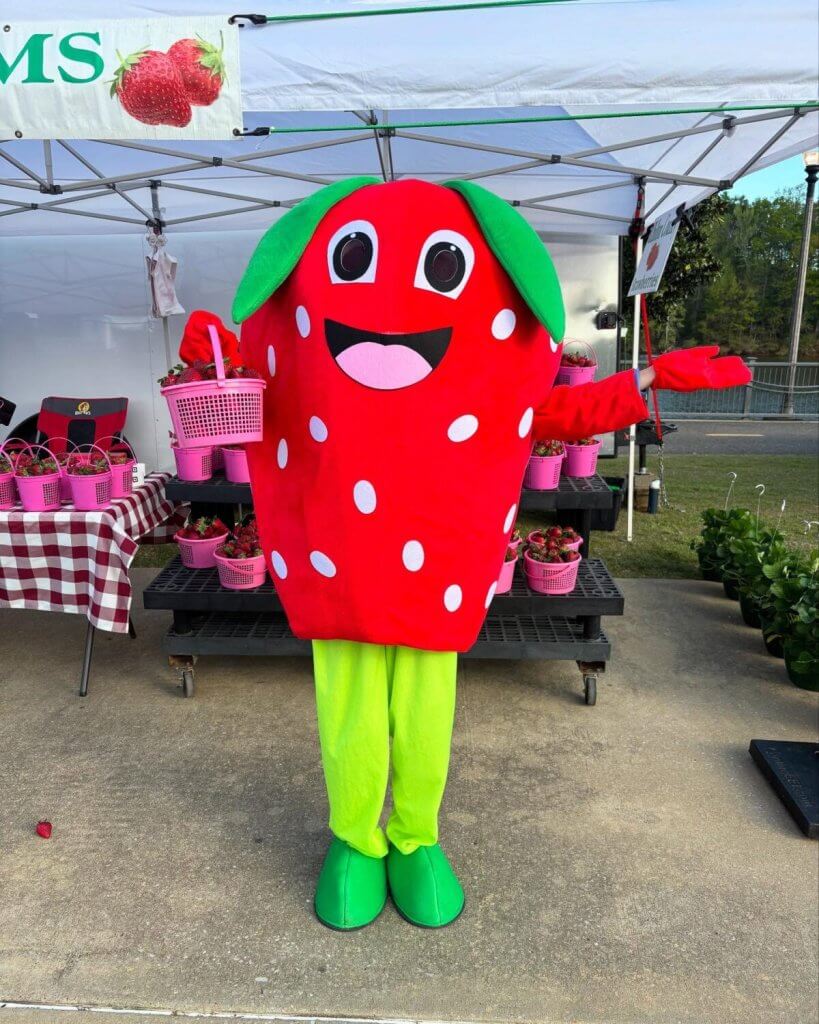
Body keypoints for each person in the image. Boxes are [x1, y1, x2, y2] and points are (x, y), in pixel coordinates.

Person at [227, 177, 750, 930]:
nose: (392, 305)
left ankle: (412, 838)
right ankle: (353, 841)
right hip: (338, 564)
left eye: (440, 271)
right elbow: (251, 395)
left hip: (431, 569)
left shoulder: (490, 383)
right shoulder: (299, 362)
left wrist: (647, 377)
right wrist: (216, 353)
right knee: (349, 716)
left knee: (424, 711)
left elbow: (558, 410)